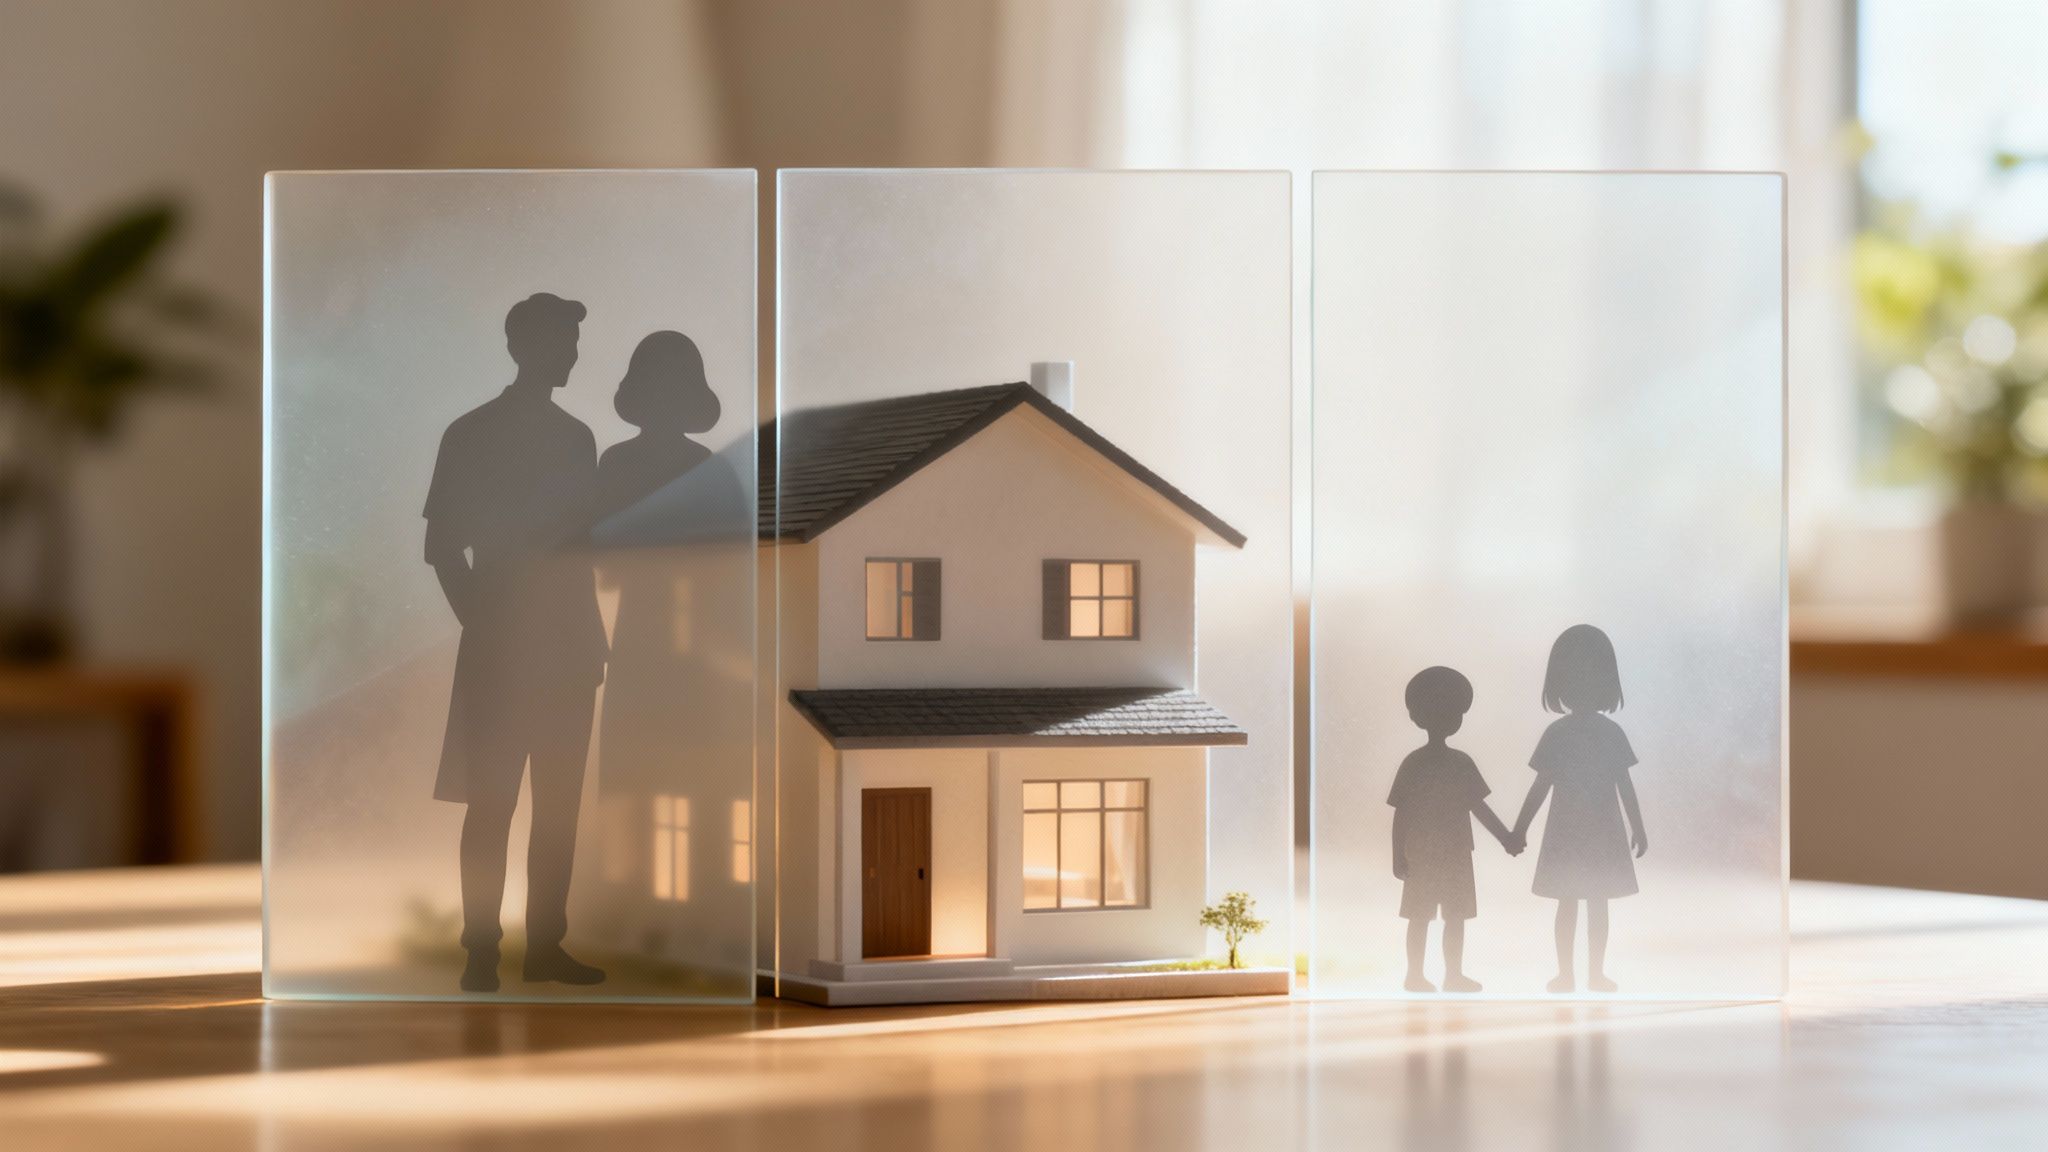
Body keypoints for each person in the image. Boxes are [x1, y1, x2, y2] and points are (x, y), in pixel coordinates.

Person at [424, 292, 610, 993]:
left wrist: (590, 634)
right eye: (559, 341)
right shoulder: (470, 434)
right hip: (503, 647)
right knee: (493, 802)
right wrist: (486, 623)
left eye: (571, 342)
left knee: (557, 806)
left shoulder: (575, 438)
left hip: (564, 647)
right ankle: (480, 948)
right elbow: (444, 548)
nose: (568, 355)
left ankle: (543, 946)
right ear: (523, 346)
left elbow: (581, 551)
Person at [1509, 624, 1648, 994]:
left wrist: (1639, 826)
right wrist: (1519, 828)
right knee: (1575, 902)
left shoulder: (1587, 734)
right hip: (1579, 831)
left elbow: (1623, 784)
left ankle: (1590, 973)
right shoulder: (1568, 734)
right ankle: (1570, 974)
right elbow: (1542, 786)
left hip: (1588, 831)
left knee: (1587, 902)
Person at [1389, 665, 1521, 993]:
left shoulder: (1420, 763)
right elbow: (1478, 808)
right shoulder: (1455, 763)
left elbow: (1403, 813)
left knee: (1439, 916)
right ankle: (1429, 975)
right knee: (1442, 917)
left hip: (1435, 851)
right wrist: (1506, 837)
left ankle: (1439, 975)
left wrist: (1398, 853)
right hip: (1443, 852)